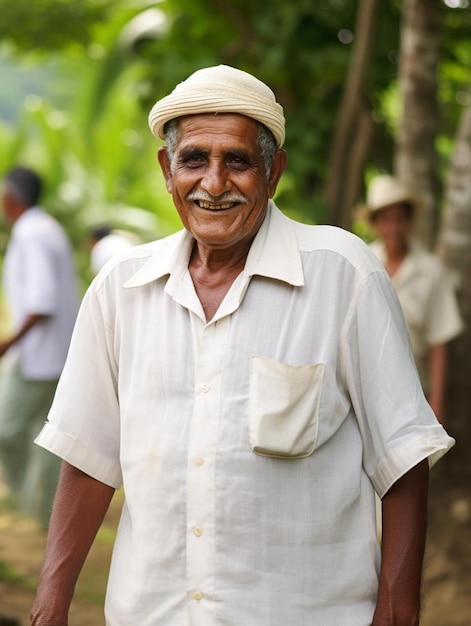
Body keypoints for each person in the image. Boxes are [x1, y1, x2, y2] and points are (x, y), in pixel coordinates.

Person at [31, 66, 454, 626]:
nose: (213, 183)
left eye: (237, 161)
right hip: (152, 612)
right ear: (167, 169)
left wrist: (398, 610)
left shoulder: (342, 275)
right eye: (193, 159)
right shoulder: (120, 289)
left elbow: (401, 459)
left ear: (273, 171)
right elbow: (88, 459)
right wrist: (49, 604)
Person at [0, 167, 78, 526]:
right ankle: (43, 512)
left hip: (38, 355)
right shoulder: (48, 227)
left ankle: (21, 497)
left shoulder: (30, 233)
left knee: (6, 428)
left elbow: (42, 302)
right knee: (49, 434)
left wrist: (8, 343)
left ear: (11, 197)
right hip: (61, 353)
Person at [365, 174, 464, 425]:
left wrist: (437, 404)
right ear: (376, 224)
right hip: (365, 389)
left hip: (414, 392)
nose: (393, 228)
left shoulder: (431, 271)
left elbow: (438, 342)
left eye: (399, 219)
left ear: (409, 222)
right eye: (386, 219)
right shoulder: (364, 262)